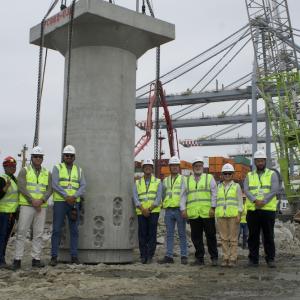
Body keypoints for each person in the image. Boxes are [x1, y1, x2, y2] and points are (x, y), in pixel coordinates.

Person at [11, 146, 52, 270]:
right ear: (32, 158)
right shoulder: (24, 170)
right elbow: (21, 186)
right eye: (36, 157)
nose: (38, 159)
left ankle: (36, 259)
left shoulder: (47, 173)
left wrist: (42, 200)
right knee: (21, 232)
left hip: (41, 206)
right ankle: (17, 259)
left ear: (42, 158)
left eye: (40, 157)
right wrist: (32, 201)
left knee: (38, 233)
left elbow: (50, 188)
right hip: (27, 206)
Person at [50, 145, 86, 266]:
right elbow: (54, 184)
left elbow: (83, 185)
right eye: (66, 155)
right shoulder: (57, 168)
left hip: (74, 203)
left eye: (71, 155)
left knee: (74, 230)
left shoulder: (79, 170)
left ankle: (74, 256)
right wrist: (67, 196)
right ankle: (54, 256)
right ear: (63, 156)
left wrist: (74, 197)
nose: (69, 157)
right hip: (61, 202)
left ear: (74, 157)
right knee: (56, 229)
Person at [244, 150, 279, 268]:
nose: (260, 163)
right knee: (253, 236)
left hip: (267, 210)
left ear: (265, 161)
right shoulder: (249, 175)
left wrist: (263, 201)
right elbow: (247, 190)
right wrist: (255, 200)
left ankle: (270, 259)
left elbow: (274, 189)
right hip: (253, 210)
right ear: (255, 162)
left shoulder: (272, 174)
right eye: (258, 161)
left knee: (268, 235)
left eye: (262, 161)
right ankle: (253, 260)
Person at [182, 157, 218, 266]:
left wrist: (213, 207)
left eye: (200, 166)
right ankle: (199, 258)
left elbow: (214, 193)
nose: (198, 168)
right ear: (193, 168)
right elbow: (183, 196)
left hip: (207, 212)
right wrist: (183, 209)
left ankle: (214, 257)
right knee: (196, 237)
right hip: (194, 213)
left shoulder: (209, 177)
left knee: (211, 236)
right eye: (196, 166)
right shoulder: (187, 180)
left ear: (202, 167)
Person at [159, 156, 188, 265]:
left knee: (182, 233)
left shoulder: (183, 179)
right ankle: (169, 256)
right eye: (173, 166)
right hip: (168, 210)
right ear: (169, 167)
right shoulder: (165, 180)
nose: (175, 167)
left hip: (179, 210)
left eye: (176, 165)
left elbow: (186, 195)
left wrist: (185, 209)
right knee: (169, 234)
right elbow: (162, 194)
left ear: (178, 167)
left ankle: (184, 255)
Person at [133, 158, 162, 264]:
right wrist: (142, 209)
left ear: (152, 169)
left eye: (149, 167)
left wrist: (149, 209)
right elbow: (135, 197)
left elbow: (158, 198)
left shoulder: (158, 182)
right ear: (143, 169)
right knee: (142, 234)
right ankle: (143, 255)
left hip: (153, 211)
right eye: (146, 167)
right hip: (141, 212)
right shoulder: (137, 183)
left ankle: (150, 255)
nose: (148, 168)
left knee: (152, 234)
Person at [216, 163, 243, 267]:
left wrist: (239, 214)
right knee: (223, 238)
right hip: (221, 215)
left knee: (233, 238)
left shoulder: (236, 186)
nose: (227, 175)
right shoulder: (219, 186)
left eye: (229, 173)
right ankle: (225, 257)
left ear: (232, 175)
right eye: (225, 173)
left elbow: (240, 201)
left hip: (233, 215)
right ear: (222, 174)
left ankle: (233, 258)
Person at [0, 157, 18, 269]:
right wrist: (5, 188)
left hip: (11, 213)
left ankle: (2, 259)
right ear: (5, 167)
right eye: (9, 166)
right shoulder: (2, 179)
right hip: (3, 213)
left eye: (14, 166)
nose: (12, 168)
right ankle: (0, 261)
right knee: (1, 237)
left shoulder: (14, 179)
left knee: (6, 237)